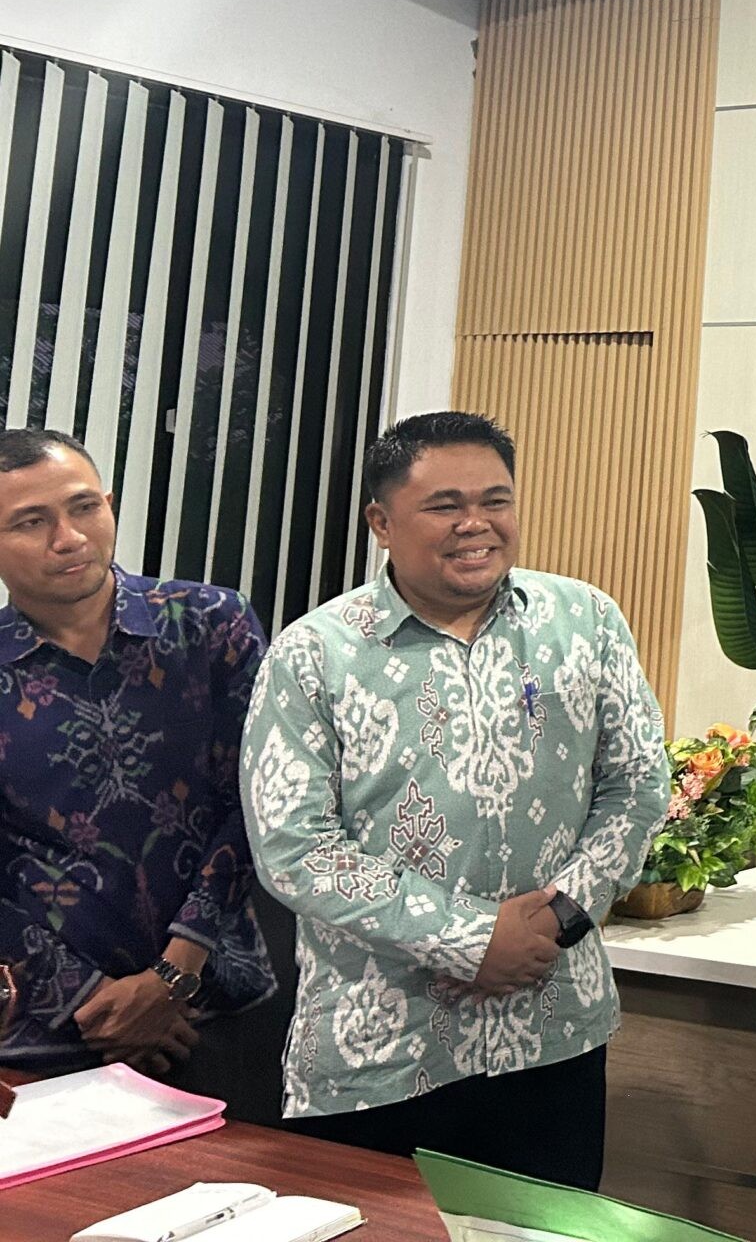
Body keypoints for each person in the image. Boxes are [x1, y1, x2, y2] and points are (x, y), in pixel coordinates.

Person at [241, 411, 669, 1188]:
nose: (476, 524)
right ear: (381, 522)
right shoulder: (314, 653)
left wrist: (561, 918)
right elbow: (294, 846)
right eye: (445, 505)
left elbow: (636, 784)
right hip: (380, 1049)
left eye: (495, 501)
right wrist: (469, 939)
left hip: (553, 1029)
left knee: (546, 1238)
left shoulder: (586, 621)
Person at [0, 428, 273, 1093]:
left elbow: (258, 801)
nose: (69, 538)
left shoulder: (210, 623)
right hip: (47, 1028)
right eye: (31, 522)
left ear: (110, 504)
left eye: (84, 507)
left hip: (216, 1004)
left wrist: (173, 975)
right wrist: (90, 999)